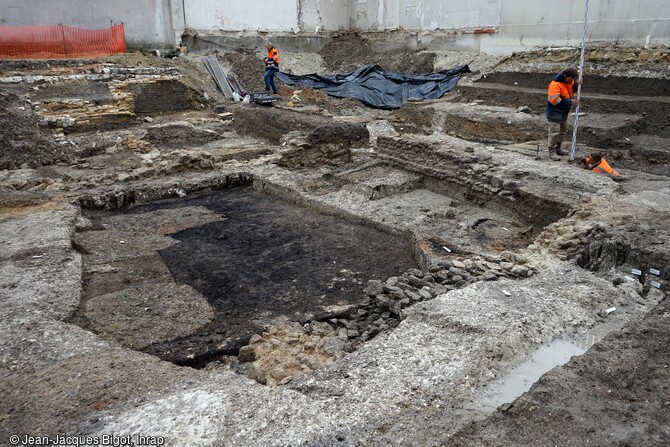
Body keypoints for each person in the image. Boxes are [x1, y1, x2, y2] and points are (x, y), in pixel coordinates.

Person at [546, 68, 580, 160]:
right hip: (554, 112)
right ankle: (552, 152)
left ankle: (558, 148)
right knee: (554, 132)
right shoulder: (555, 84)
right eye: (570, 79)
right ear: (565, 76)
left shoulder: (568, 82)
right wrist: (570, 102)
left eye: (572, 80)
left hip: (563, 112)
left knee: (563, 130)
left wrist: (576, 85)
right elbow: (554, 100)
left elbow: (571, 91)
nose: (571, 81)